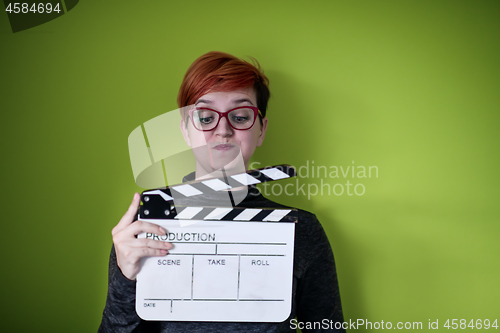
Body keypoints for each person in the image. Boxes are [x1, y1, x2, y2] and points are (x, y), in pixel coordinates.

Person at [99, 51, 345, 332]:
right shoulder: (143, 227)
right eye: (205, 117)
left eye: (240, 116)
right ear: (185, 129)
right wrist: (124, 277)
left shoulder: (300, 228)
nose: (223, 129)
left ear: (261, 130)